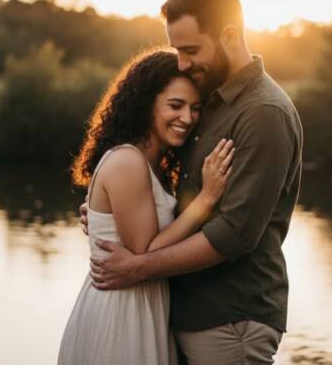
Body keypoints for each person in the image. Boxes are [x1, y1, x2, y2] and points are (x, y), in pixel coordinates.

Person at [80, 0, 304, 364]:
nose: (182, 62)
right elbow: (175, 196)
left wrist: (137, 267)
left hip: (231, 319)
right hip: (182, 313)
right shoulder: (209, 99)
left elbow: (234, 234)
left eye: (190, 49)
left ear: (229, 35)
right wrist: (111, 214)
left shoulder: (263, 114)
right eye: (176, 50)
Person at [58, 50, 236, 365]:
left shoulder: (154, 165)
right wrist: (206, 200)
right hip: (119, 311)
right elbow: (144, 251)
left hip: (143, 305)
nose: (187, 118)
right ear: (146, 104)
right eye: (175, 105)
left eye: (195, 108)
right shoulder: (128, 160)